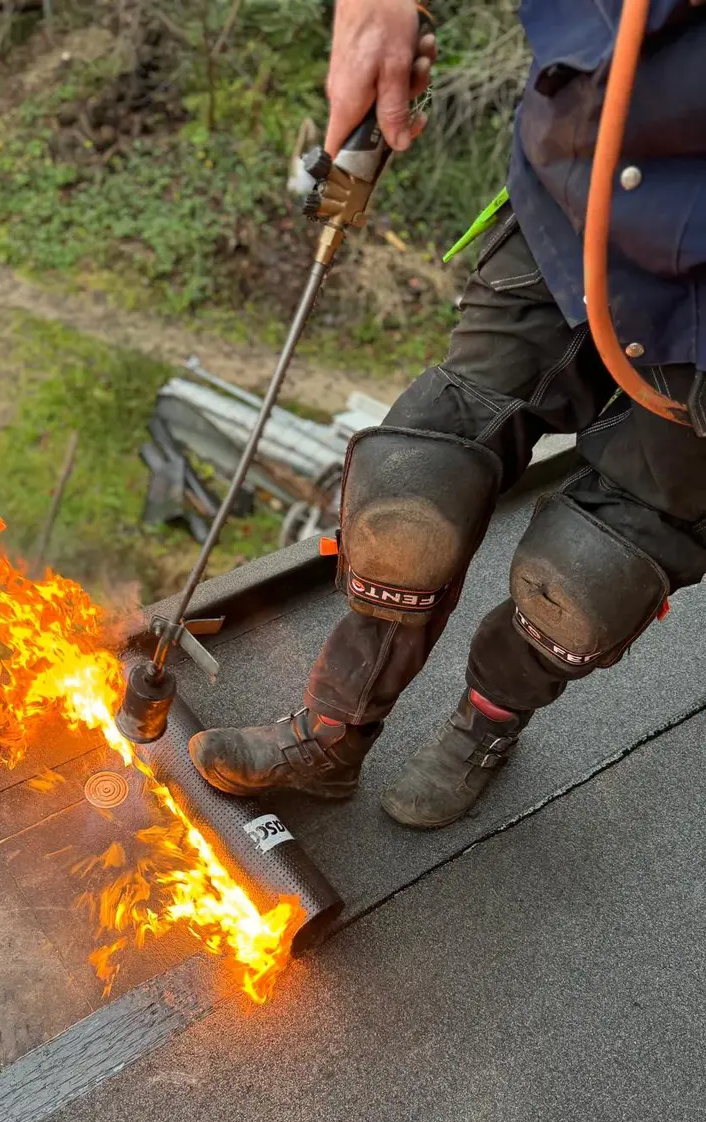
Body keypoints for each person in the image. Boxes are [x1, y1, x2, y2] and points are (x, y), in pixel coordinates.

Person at [188, 0, 706, 829]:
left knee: (595, 571)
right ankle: (333, 733)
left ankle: (488, 722)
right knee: (417, 482)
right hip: (577, 198)